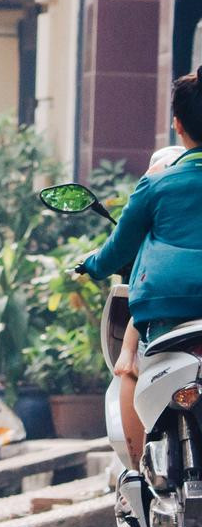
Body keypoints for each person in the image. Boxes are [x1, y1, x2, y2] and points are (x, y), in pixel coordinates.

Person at [81, 67, 202, 462]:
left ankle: (136, 465)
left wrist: (90, 266)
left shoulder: (157, 184)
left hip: (171, 308)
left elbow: (117, 250)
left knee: (130, 366)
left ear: (177, 124)